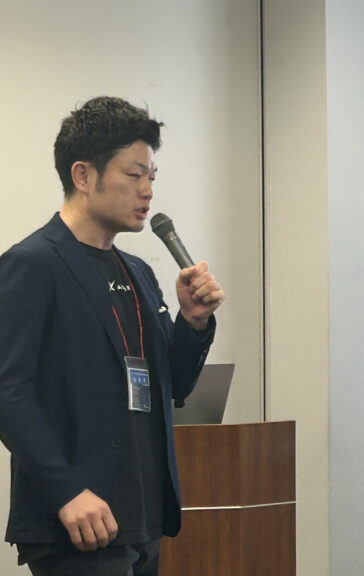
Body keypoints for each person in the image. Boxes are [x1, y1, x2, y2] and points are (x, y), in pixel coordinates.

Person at [0, 96, 226, 575]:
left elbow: (172, 385)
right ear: (83, 176)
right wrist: (65, 491)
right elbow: (8, 391)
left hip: (141, 517)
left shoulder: (138, 271)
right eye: (134, 175)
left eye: (152, 177)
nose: (147, 191)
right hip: (79, 523)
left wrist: (192, 322)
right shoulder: (32, 264)